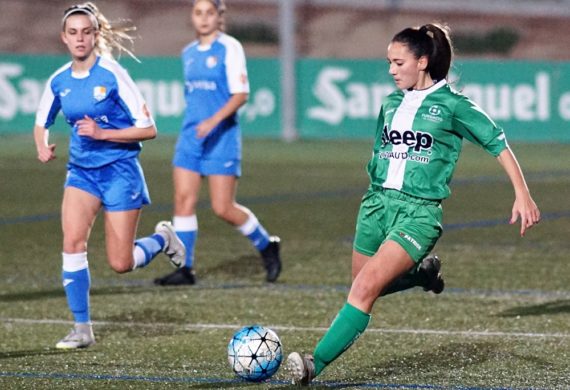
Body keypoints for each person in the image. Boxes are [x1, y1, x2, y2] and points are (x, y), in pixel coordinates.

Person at [285, 23, 541, 385]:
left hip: (419, 212)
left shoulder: (453, 105)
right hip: (376, 206)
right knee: (362, 284)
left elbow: (497, 141)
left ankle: (314, 363)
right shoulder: (390, 103)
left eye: (398, 62)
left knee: (363, 291)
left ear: (422, 61)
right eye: (389, 62)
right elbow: (381, 149)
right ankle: (422, 275)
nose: (391, 70)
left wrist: (522, 192)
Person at [33, 2, 186, 349]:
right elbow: (42, 121)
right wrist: (42, 145)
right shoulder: (59, 80)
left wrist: (103, 135)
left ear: (96, 34)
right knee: (72, 243)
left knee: (121, 263)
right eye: (73, 33)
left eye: (86, 31)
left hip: (120, 171)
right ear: (64, 38)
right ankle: (82, 329)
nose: (80, 38)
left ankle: (162, 238)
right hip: (82, 173)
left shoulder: (113, 74)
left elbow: (148, 129)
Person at [153, 0, 282, 286]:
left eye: (209, 13)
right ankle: (185, 268)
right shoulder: (187, 53)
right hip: (191, 137)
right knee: (183, 201)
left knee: (223, 207)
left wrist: (212, 121)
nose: (203, 18)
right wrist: (199, 124)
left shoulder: (229, 48)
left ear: (219, 16)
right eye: (198, 13)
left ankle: (267, 245)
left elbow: (240, 94)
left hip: (221, 136)